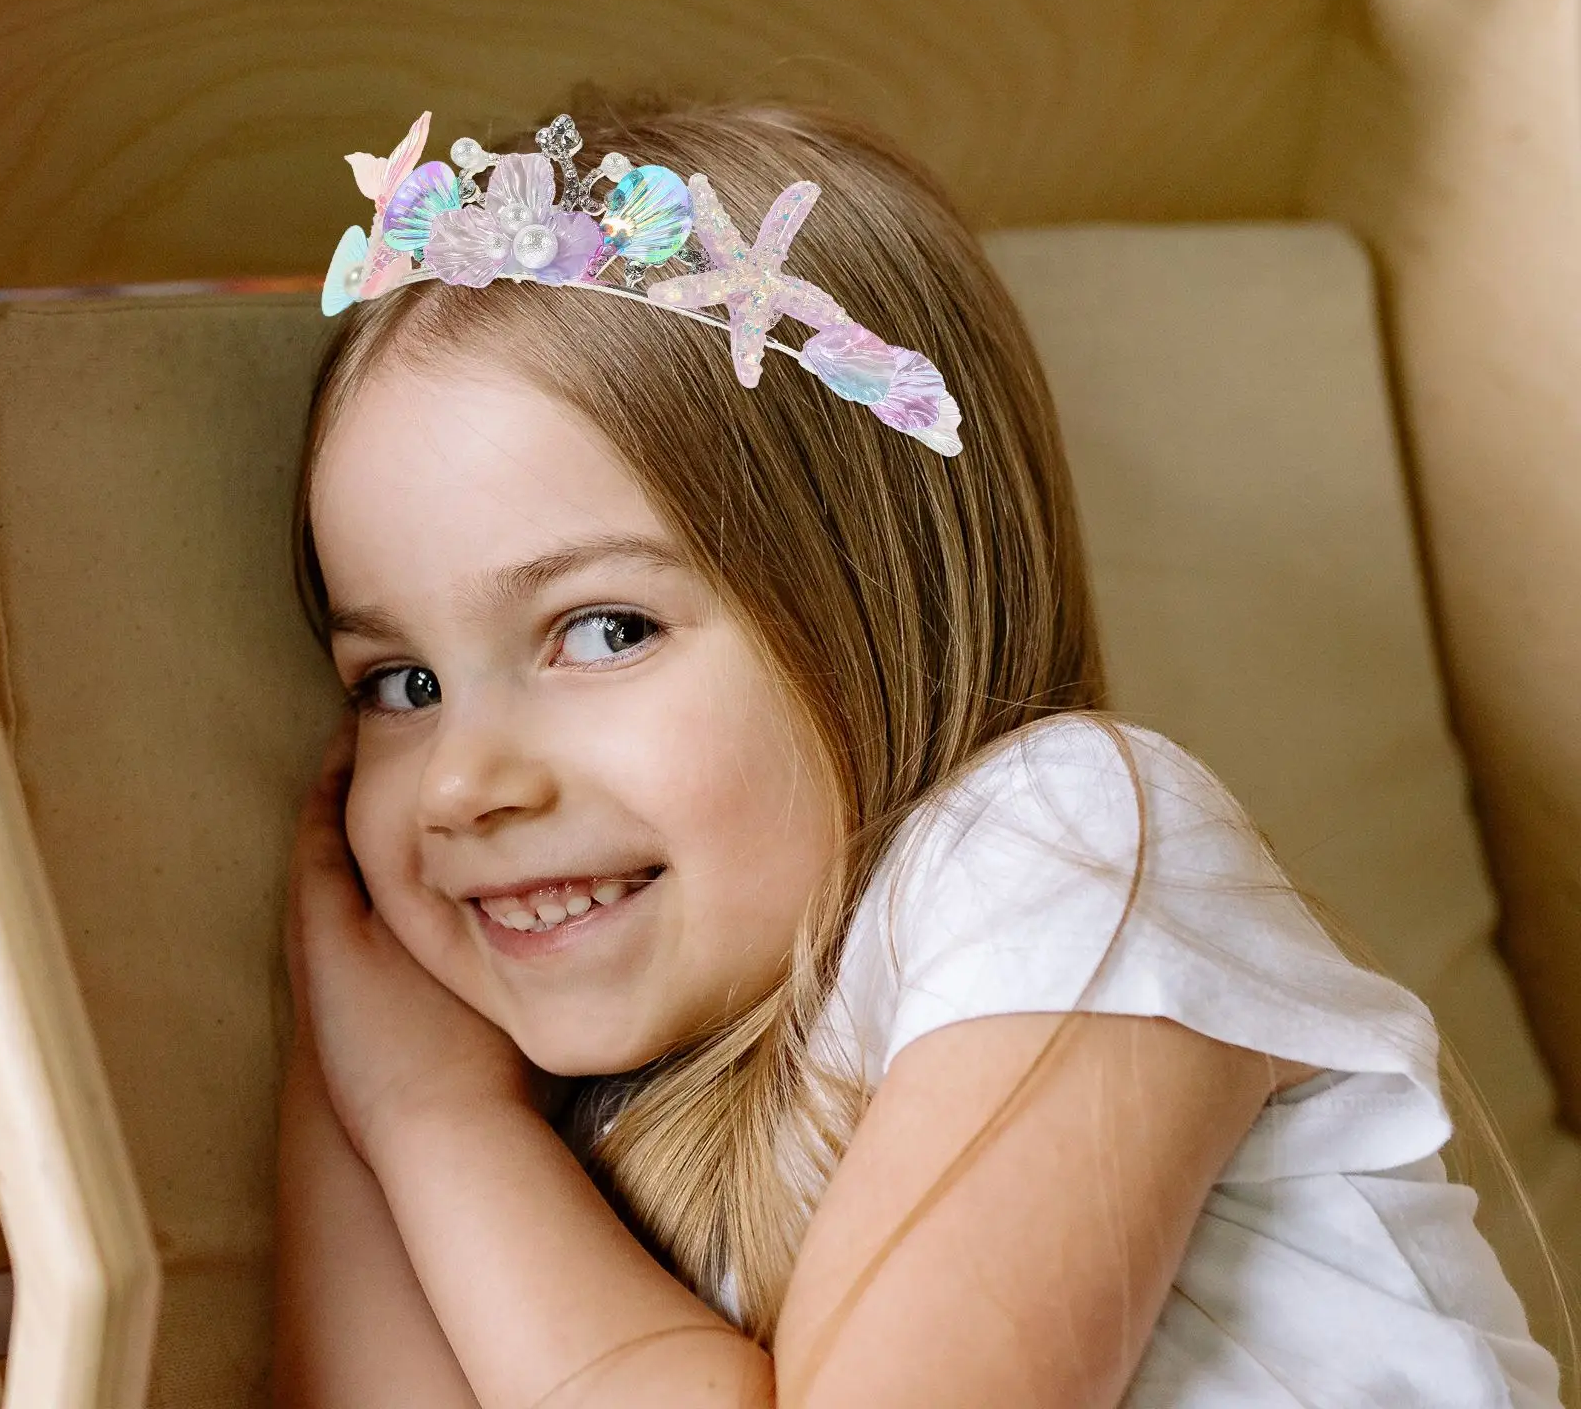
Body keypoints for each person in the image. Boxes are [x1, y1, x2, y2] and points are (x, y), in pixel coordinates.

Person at [273, 100, 1564, 1408]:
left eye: (604, 630)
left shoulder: (1054, 846)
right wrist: (373, 1093)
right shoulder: (560, 1117)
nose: (460, 784)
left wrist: (441, 1129)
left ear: (884, 608)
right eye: (402, 682)